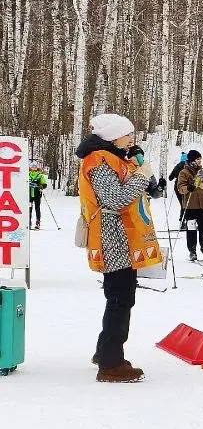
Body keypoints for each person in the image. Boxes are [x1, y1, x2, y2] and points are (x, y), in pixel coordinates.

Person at [76, 113, 162, 383]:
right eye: (128, 135)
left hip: (120, 236)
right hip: (112, 237)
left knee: (120, 296)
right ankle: (112, 362)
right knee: (120, 298)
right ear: (113, 136)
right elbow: (115, 198)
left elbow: (134, 187)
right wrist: (141, 176)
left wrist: (137, 165)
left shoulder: (112, 158)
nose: (132, 139)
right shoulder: (98, 160)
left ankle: (105, 352)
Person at [174, 150, 203, 262]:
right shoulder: (184, 172)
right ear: (192, 160)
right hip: (190, 205)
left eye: (200, 159)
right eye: (197, 159)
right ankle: (192, 251)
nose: (199, 161)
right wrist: (188, 188)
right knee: (191, 228)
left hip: (202, 205)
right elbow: (180, 188)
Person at [28, 160, 48, 230]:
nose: (34, 168)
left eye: (35, 167)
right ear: (30, 167)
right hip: (29, 195)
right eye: (32, 167)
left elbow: (45, 184)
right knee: (29, 209)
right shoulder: (27, 174)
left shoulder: (40, 175)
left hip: (37, 195)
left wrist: (41, 186)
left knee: (37, 208)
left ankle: (38, 223)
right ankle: (28, 223)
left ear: (37, 168)